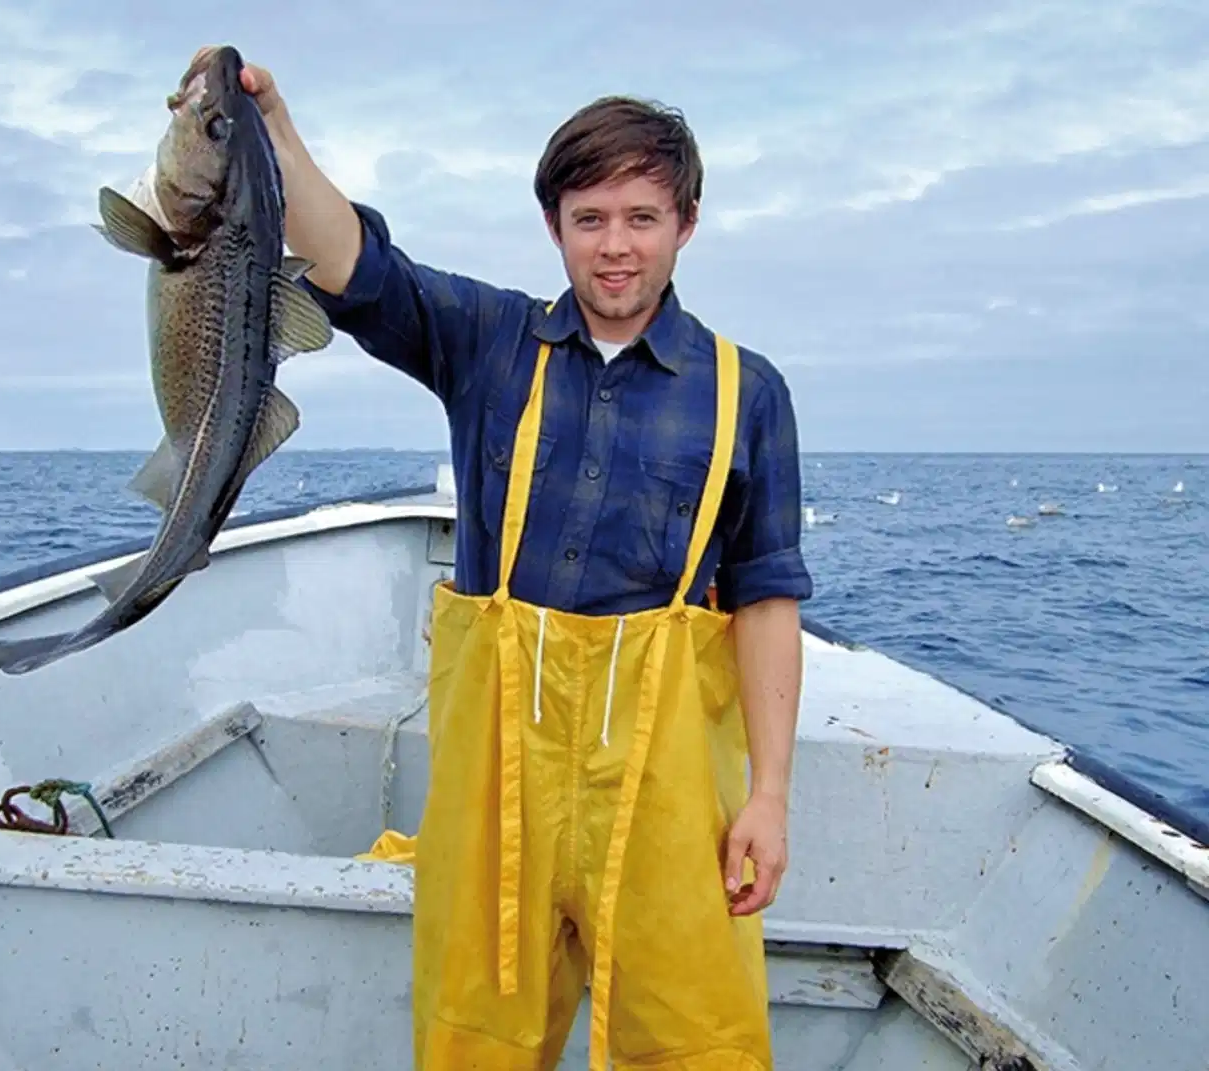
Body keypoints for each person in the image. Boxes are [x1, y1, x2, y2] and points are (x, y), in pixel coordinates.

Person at [238, 56, 811, 1071]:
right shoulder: (489, 341)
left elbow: (766, 598)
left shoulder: (746, 391)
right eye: (590, 218)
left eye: (642, 216)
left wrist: (767, 797)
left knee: (692, 1041)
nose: (617, 245)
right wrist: (272, 128)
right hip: (495, 779)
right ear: (556, 228)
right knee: (475, 1037)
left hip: (673, 787)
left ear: (685, 224)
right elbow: (354, 264)